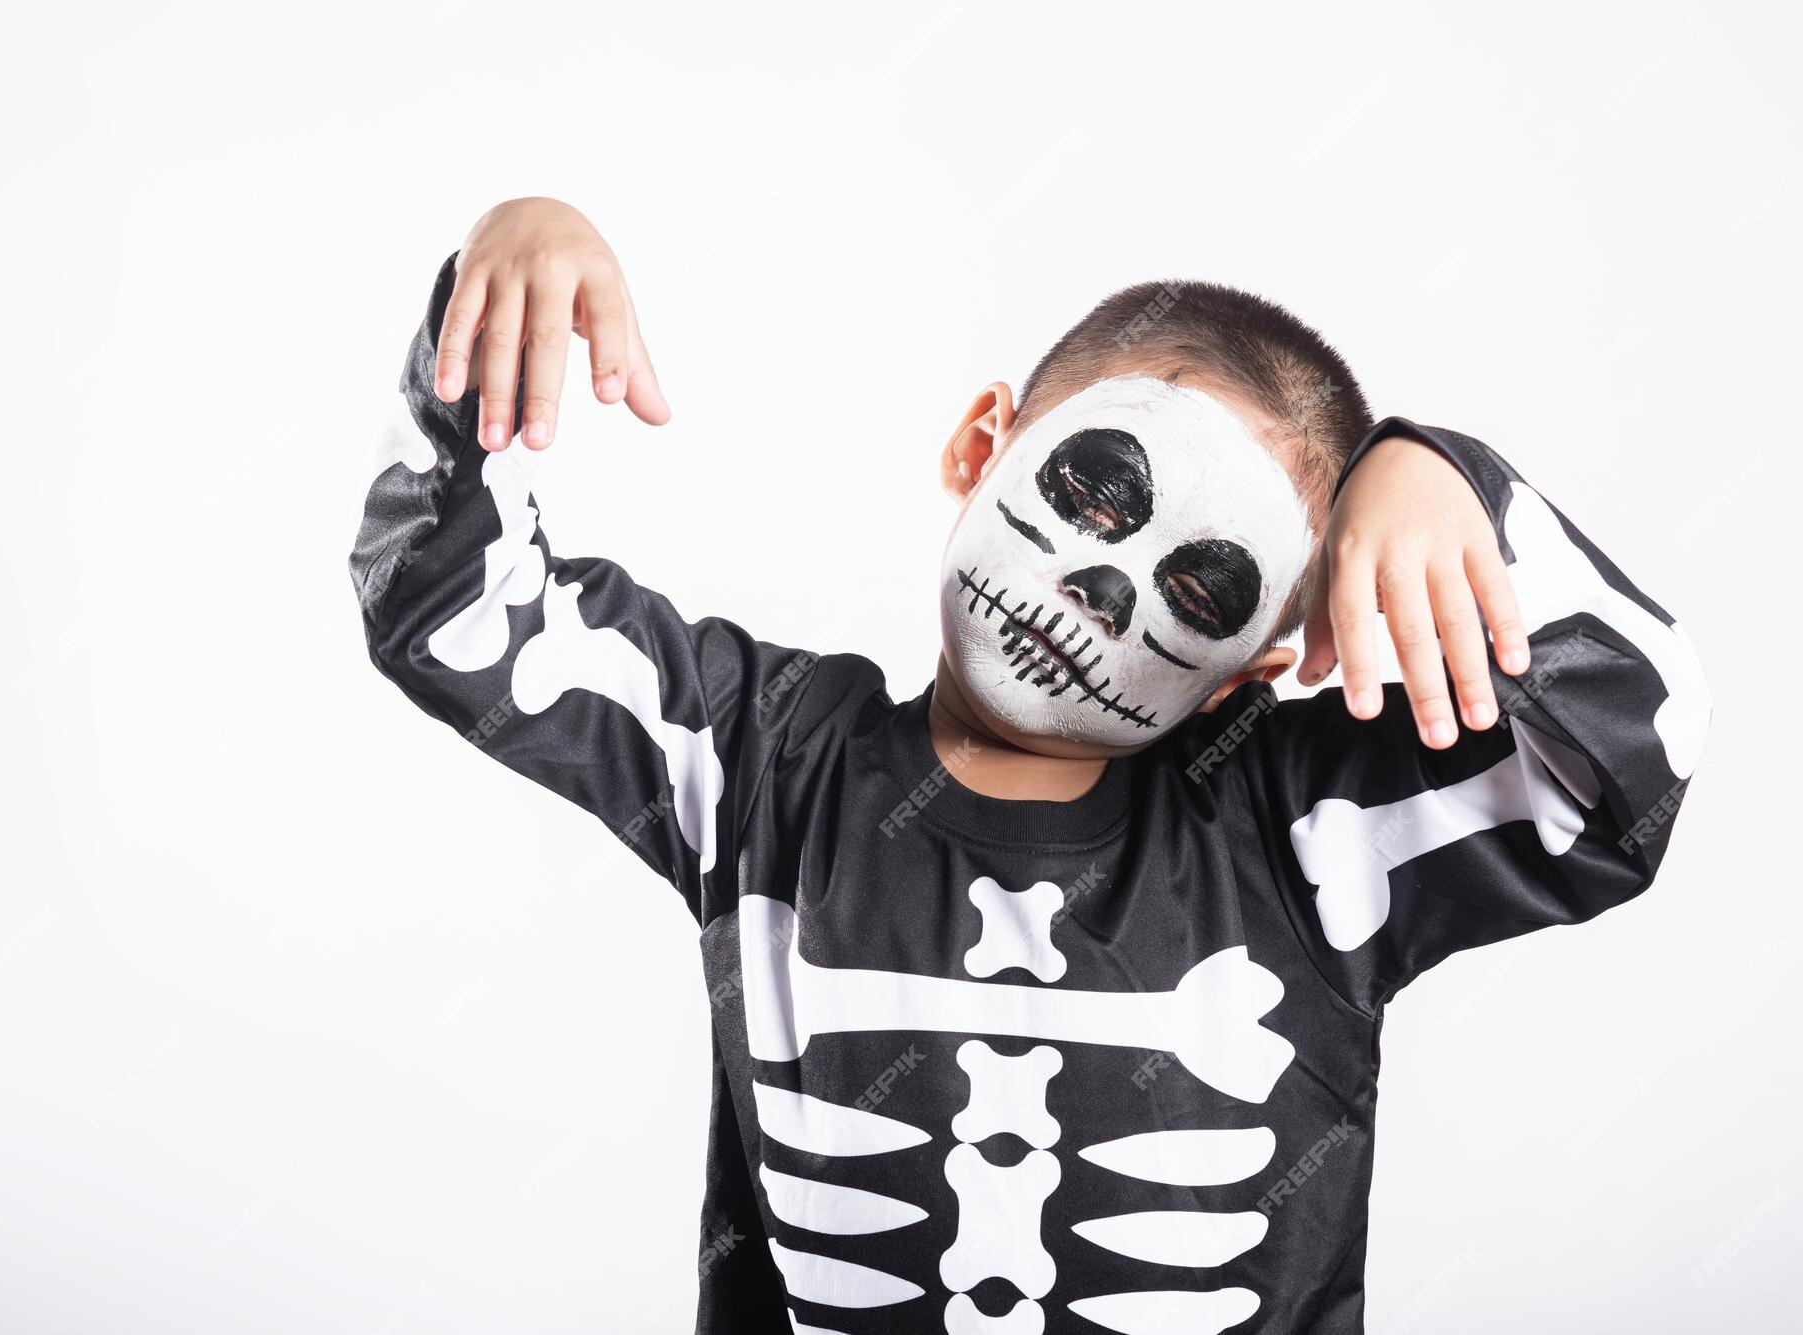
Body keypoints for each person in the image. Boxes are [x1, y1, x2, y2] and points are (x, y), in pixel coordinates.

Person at [349, 197, 1707, 1334]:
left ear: (1255, 671)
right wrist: (490, 293)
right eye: (1093, 496)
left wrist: (1446, 477)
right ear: (979, 448)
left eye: (1201, 584)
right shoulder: (767, 765)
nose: (1102, 598)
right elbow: (450, 608)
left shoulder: (1309, 833)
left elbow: (1633, 760)